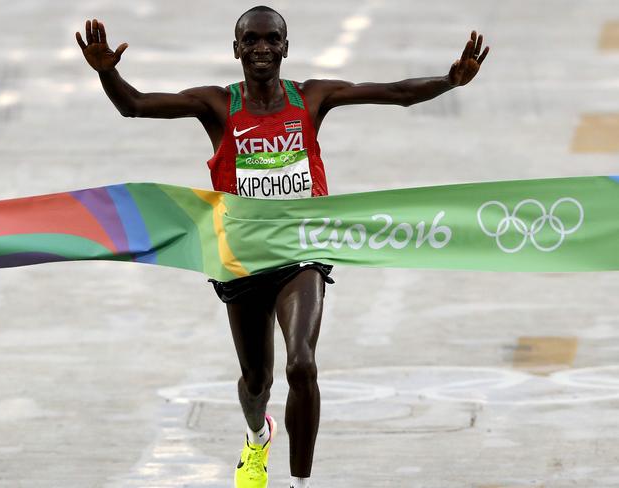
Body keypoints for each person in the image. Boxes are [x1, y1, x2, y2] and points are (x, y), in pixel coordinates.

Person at [76, 6, 489, 488]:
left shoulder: (311, 98)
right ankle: (256, 436)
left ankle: (300, 483)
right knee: (257, 381)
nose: (262, 48)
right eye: (250, 40)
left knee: (302, 364)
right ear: (236, 50)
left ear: (286, 47)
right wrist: (109, 74)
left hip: (302, 250)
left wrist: (450, 80)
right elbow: (136, 104)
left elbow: (395, 94)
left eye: (272, 39)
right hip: (242, 258)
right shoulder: (217, 104)